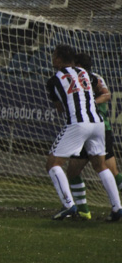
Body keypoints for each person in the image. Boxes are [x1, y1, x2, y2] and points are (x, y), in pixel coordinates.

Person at [46, 45, 121, 222]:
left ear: (58, 59)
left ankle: (68, 204)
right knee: (100, 165)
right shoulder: (85, 72)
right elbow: (101, 90)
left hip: (78, 123)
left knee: (52, 163)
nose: (52, 59)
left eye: (54, 56)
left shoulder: (53, 81)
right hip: (97, 122)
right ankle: (117, 207)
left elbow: (60, 108)